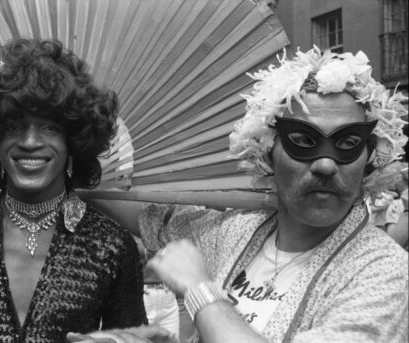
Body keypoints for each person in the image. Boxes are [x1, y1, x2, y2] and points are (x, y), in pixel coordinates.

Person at [70, 47, 408, 343]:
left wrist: (202, 293)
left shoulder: (384, 272)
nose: (324, 164)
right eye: (302, 141)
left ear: (370, 160)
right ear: (266, 153)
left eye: (347, 144)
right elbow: (151, 216)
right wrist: (69, 177)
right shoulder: (233, 234)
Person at [0, 39, 149, 342]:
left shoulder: (112, 246)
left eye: (50, 128)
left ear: (73, 142)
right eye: (14, 126)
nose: (30, 142)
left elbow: (134, 337)